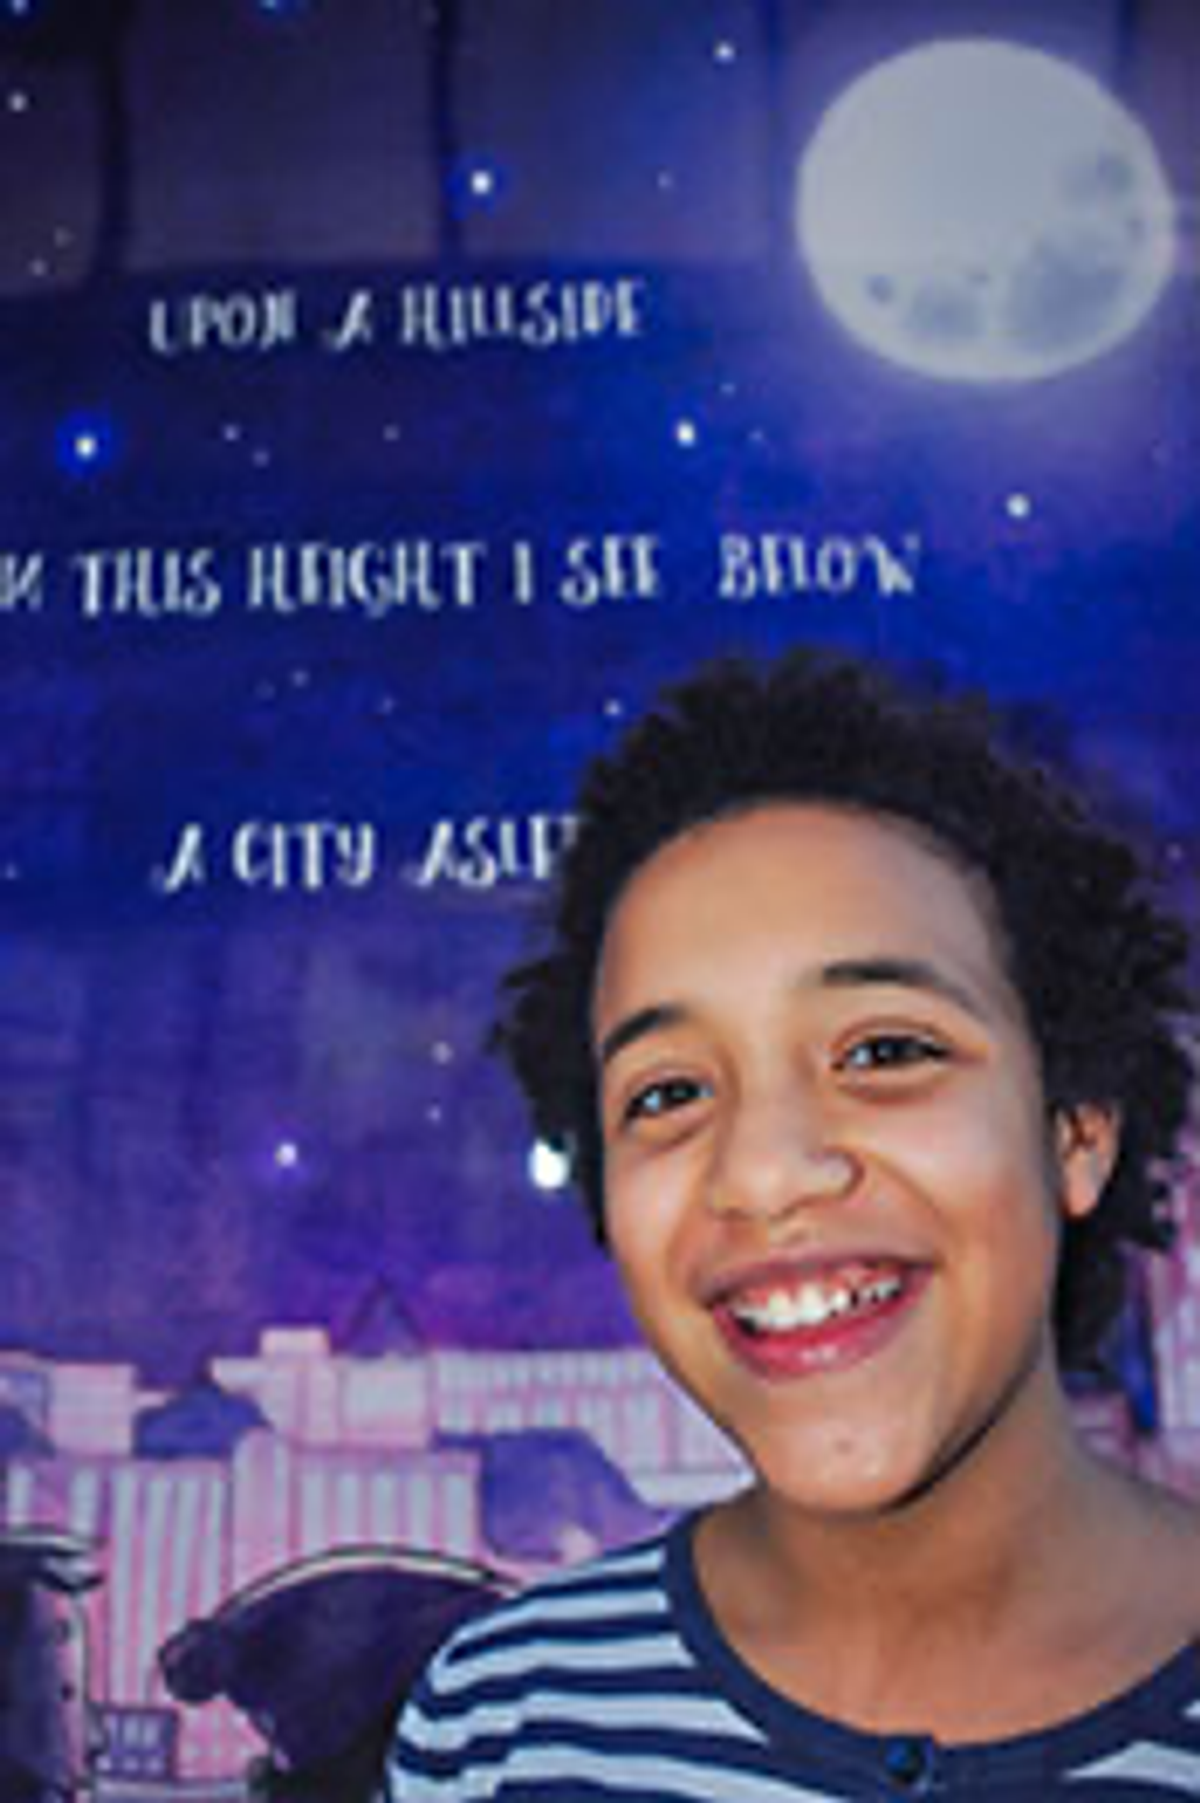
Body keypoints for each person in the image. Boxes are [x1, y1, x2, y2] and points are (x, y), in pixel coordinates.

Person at [388, 649, 1200, 1799]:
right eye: (668, 1092)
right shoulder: (505, 1718)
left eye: (886, 1051)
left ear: (1075, 1130)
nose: (763, 1173)